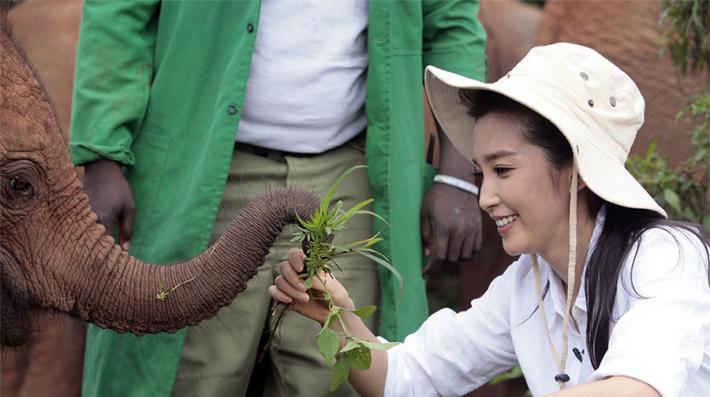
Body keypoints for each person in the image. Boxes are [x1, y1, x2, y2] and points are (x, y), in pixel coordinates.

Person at [69, 1, 487, 396]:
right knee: (188, 370)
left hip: (351, 176)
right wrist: (102, 155)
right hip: (197, 169)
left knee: (342, 372)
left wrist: (459, 176)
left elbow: (451, 24)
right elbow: (118, 12)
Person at [269, 42, 710, 397]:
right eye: (479, 174)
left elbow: (636, 387)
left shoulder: (664, 259)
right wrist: (341, 319)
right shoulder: (528, 284)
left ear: (575, 170)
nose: (485, 198)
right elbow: (407, 380)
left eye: (503, 171)